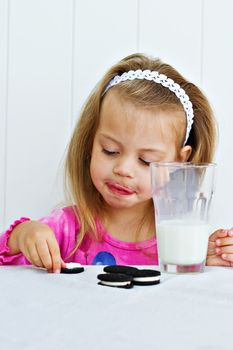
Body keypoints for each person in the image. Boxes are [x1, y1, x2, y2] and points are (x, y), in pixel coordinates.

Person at [0, 53, 232, 273]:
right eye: (110, 151)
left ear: (179, 161)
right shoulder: (68, 229)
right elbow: (9, 262)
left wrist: (212, 259)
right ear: (91, 141)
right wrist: (22, 236)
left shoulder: (182, 241)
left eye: (145, 160)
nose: (123, 169)